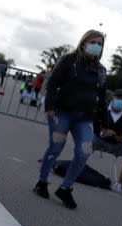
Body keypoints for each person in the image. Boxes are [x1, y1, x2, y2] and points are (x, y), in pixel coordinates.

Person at [35, 29, 107, 209]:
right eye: (94, 42)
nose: (96, 46)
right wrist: (50, 107)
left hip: (84, 118)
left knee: (84, 151)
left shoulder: (101, 70)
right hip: (61, 113)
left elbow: (102, 96)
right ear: (84, 42)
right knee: (56, 147)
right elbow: (53, 83)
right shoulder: (68, 60)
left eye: (100, 44)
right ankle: (42, 182)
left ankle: (65, 188)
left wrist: (103, 122)